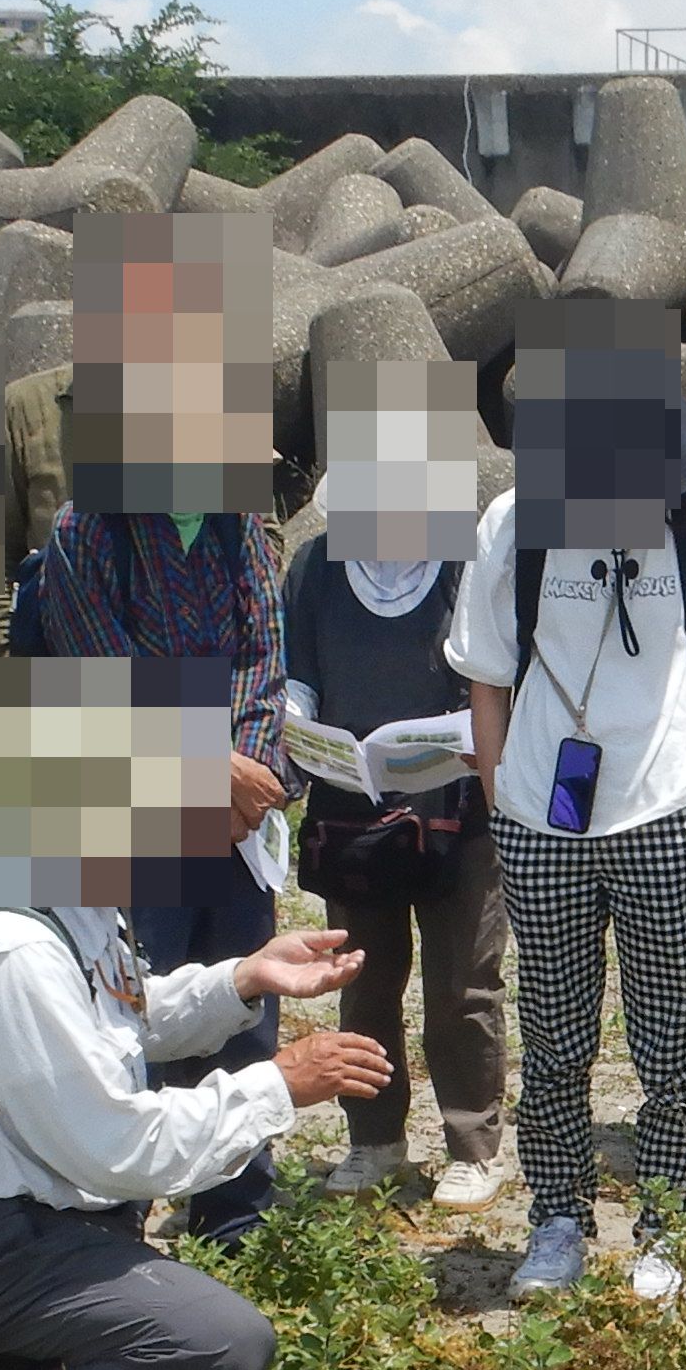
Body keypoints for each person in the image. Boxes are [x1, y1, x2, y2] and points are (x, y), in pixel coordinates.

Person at [0, 659, 391, 1370]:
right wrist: (279, 1084)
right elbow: (118, 1147)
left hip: (18, 1217)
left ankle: (7, 1364)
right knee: (221, 1344)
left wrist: (242, 977)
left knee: (190, 1326)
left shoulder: (45, 873)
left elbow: (119, 1017)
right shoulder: (9, 948)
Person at [450, 303, 686, 1306]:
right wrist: (507, 797)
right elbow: (486, 680)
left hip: (667, 815)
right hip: (544, 823)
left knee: (673, 1036)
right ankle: (557, 1221)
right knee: (552, 1036)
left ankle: (669, 1223)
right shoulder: (515, 523)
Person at [12, 220, 302, 1247]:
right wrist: (206, 764)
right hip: (120, 803)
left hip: (233, 817)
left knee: (242, 996)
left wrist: (251, 774)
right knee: (125, 1009)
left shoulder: (239, 528)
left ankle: (238, 1209)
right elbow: (103, 669)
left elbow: (265, 653)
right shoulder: (85, 534)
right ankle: (111, 1214)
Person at [279, 424, 506, 1210]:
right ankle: (373, 1138)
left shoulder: (470, 567)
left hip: (458, 810)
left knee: (462, 984)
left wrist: (459, 740)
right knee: (364, 982)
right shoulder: (314, 568)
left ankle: (474, 1144)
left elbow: (495, 672)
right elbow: (296, 669)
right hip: (351, 809)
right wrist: (300, 723)